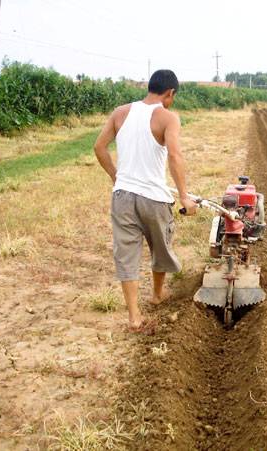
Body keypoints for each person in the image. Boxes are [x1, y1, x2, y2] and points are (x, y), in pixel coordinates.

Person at [94, 69, 197, 332]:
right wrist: (184, 196)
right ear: (169, 93)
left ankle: (134, 317)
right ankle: (157, 294)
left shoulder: (121, 112)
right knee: (160, 247)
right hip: (153, 198)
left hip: (123, 197)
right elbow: (175, 156)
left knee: (126, 254)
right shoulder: (168, 117)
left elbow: (99, 147)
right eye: (173, 96)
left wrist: (116, 177)